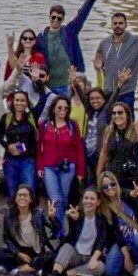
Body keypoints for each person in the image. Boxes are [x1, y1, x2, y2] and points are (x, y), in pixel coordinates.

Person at [38, 0, 102, 96]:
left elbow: (82, 15)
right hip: (50, 85)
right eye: (53, 17)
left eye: (59, 18)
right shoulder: (41, 37)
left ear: (63, 19)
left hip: (70, 85)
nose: (56, 20)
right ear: (49, 17)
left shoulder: (69, 31)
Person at [44, 188, 114, 276]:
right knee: (66, 247)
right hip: (74, 255)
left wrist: (94, 259)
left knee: (101, 267)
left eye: (92, 199)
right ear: (82, 200)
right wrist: (53, 218)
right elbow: (61, 233)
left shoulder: (101, 220)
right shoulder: (74, 215)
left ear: (98, 202)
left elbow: (101, 242)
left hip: (89, 258)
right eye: (86, 198)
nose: (88, 201)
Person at [99, 170, 138, 276]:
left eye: (112, 184)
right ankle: (131, 263)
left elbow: (130, 194)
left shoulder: (126, 198)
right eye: (105, 186)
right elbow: (117, 234)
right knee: (110, 272)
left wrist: (134, 193)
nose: (110, 188)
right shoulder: (105, 209)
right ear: (101, 189)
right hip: (123, 243)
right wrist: (126, 256)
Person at [37, 96, 85, 234]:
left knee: (63, 198)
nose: (63, 110)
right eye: (60, 107)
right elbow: (39, 148)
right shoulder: (44, 125)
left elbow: (79, 149)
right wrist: (40, 167)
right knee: (55, 199)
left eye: (66, 108)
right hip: (49, 167)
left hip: (68, 167)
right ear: (53, 109)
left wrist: (80, 171)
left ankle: (60, 229)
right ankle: (60, 229)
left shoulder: (72, 125)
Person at [0, 184, 56, 276]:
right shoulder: (9, 215)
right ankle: (34, 270)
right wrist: (18, 253)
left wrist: (52, 218)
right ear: (15, 199)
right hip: (20, 251)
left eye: (25, 195)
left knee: (52, 255)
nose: (22, 197)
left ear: (31, 199)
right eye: (19, 195)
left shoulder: (38, 213)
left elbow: (56, 229)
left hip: (36, 252)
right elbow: (7, 238)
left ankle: (18, 270)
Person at [0, 90, 38, 196]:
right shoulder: (6, 118)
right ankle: (13, 212)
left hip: (28, 160)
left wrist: (21, 148)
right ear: (13, 102)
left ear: (27, 103)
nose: (20, 103)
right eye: (17, 100)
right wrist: (8, 146)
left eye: (23, 100)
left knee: (29, 191)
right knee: (12, 192)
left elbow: (35, 140)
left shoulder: (32, 117)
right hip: (10, 160)